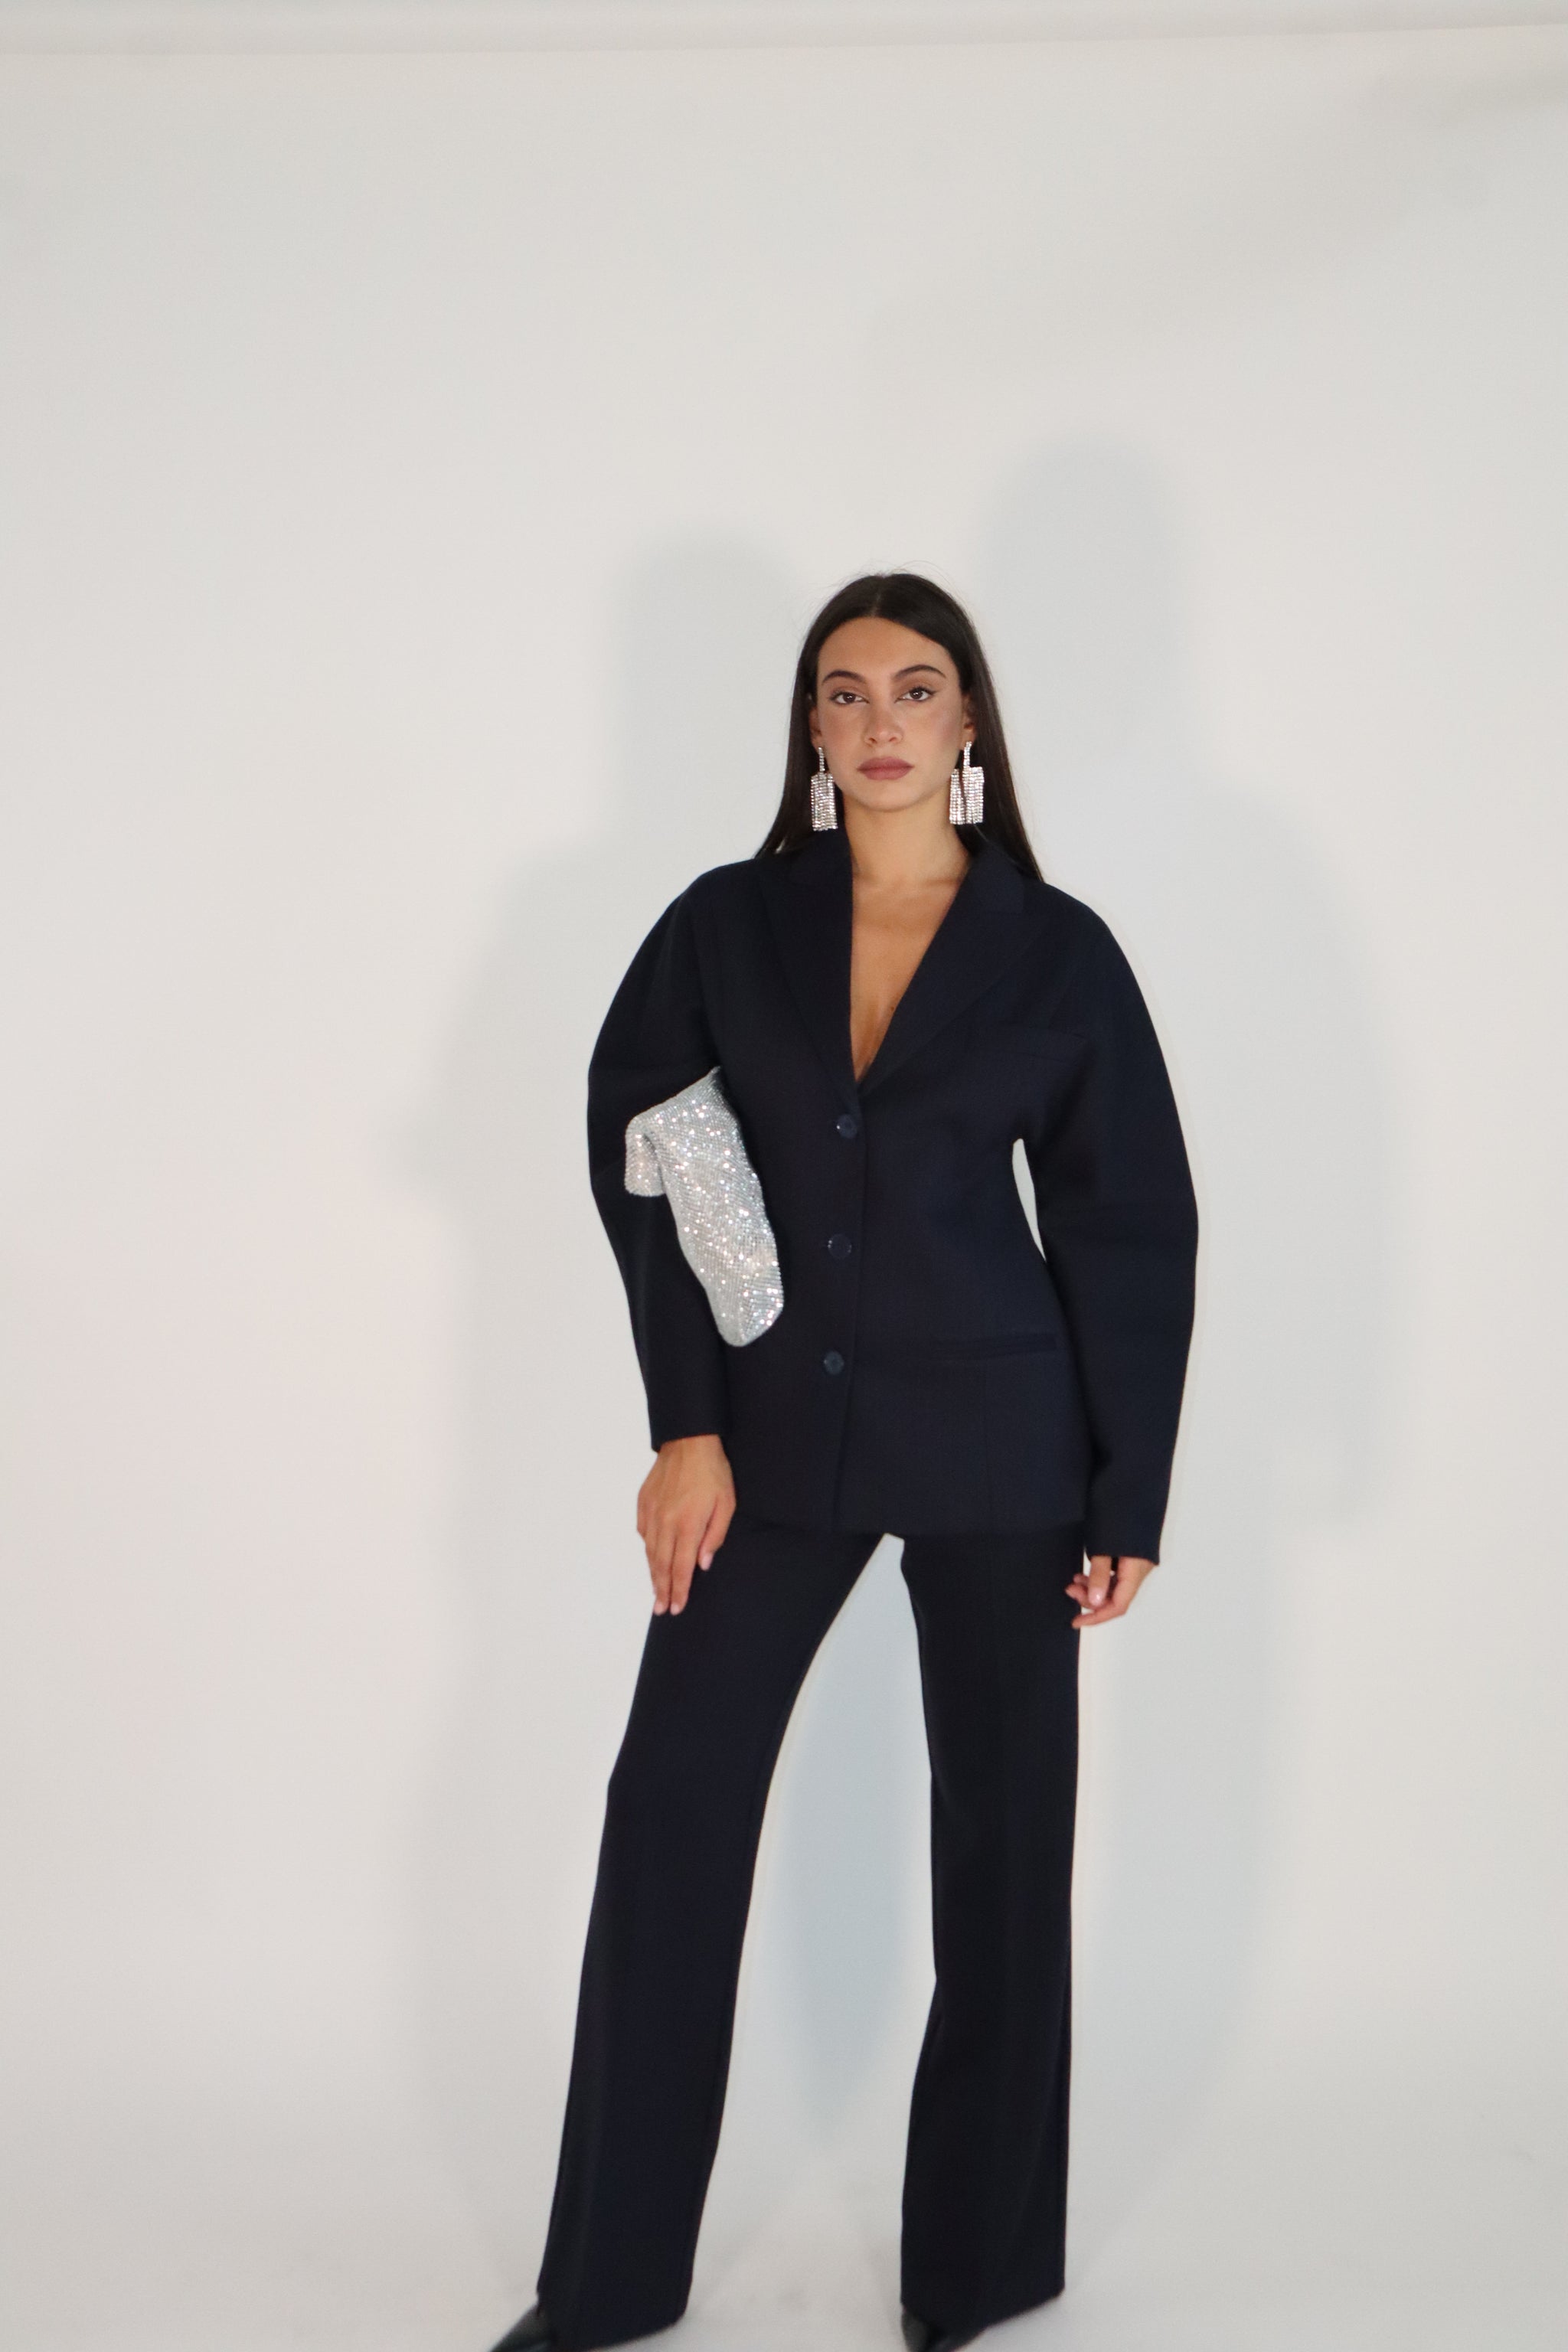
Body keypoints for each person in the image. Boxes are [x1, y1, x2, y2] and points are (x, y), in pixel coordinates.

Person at [487, 573, 1198, 2352]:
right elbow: (653, 1165)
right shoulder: (724, 929)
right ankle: (604, 2287)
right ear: (809, 728)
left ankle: (977, 2275)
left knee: (1004, 1858)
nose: (882, 722)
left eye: (917, 688)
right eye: (846, 691)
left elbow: (1126, 1224)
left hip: (1003, 1450)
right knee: (671, 1819)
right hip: (768, 1447)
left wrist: (1126, 1491)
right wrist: (685, 1422)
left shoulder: (1055, 950)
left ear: (968, 723)